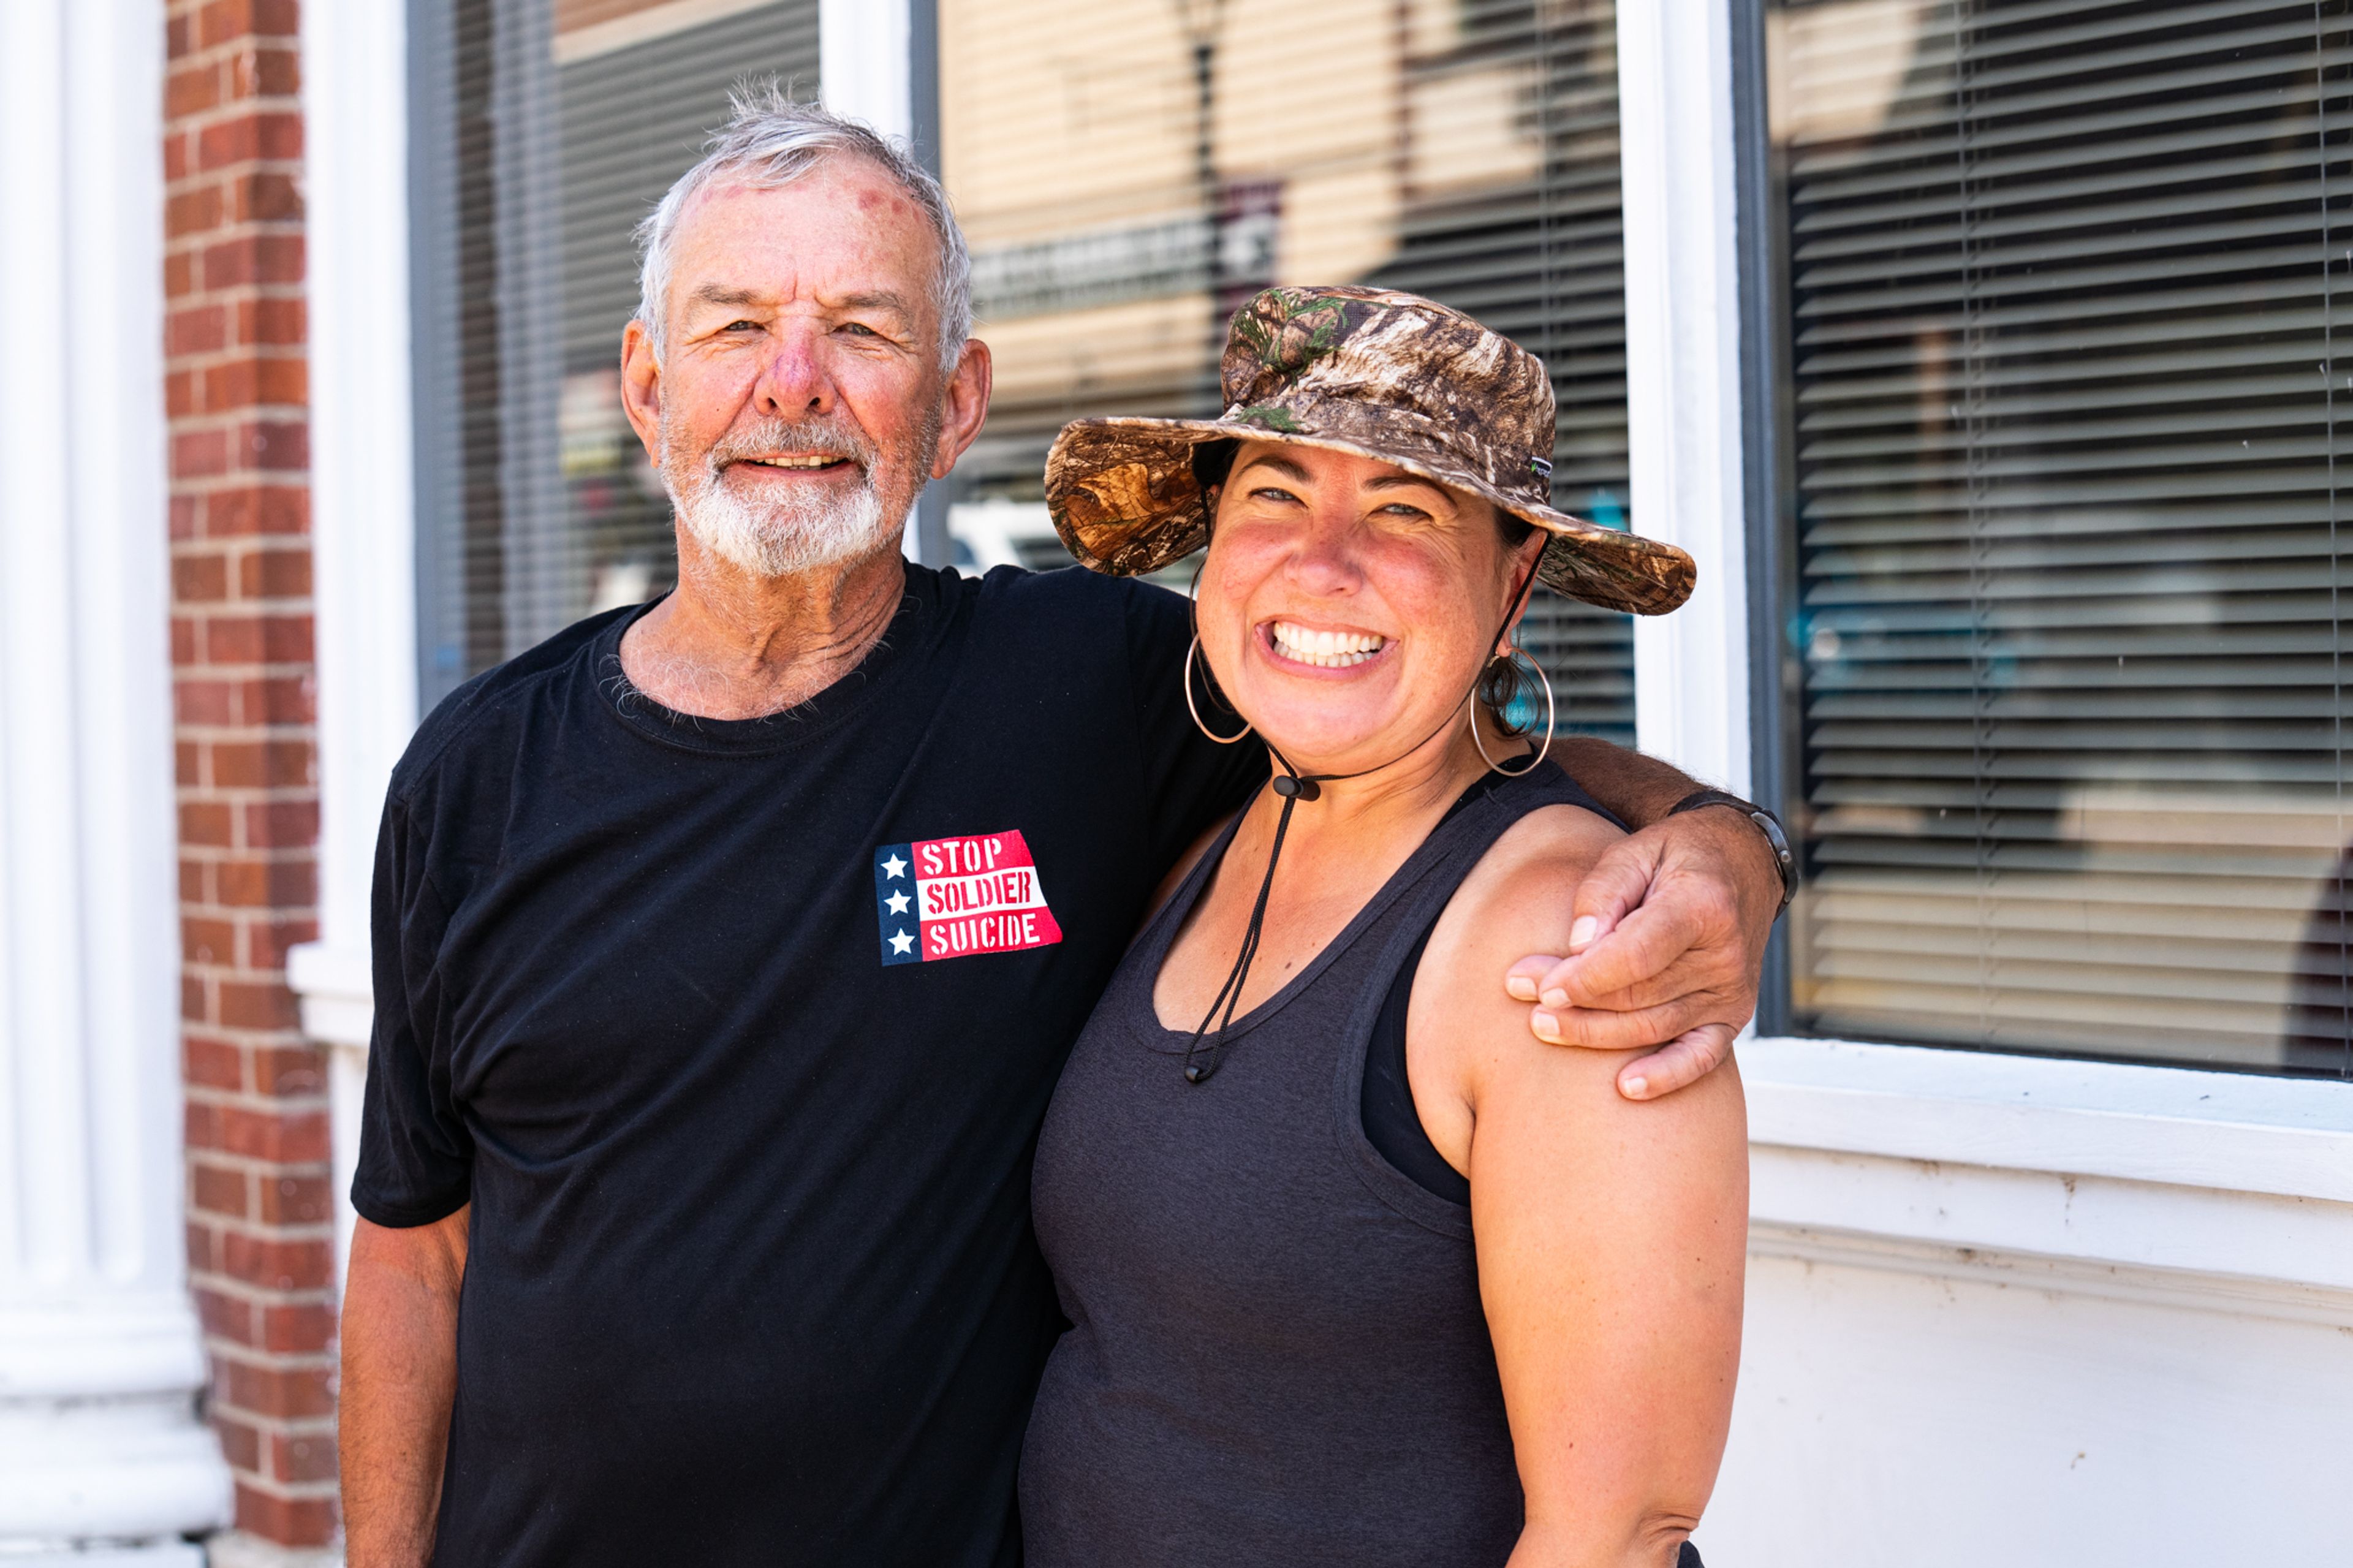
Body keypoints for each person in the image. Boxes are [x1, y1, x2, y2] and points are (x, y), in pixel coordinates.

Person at [338, 93, 1785, 1568]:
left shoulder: (1092, 690)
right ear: (647, 384)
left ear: (956, 400)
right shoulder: (478, 775)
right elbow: (415, 1247)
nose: (793, 387)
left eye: (861, 328)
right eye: (732, 328)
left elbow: (1433, 744)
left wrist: (1726, 845)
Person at [1021, 286, 1748, 1567]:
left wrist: (1739, 852)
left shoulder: (1569, 937)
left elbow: (1615, 1533)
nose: (1323, 560)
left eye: (1405, 510)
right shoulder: (1207, 843)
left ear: (1513, 582)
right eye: (1274, 493)